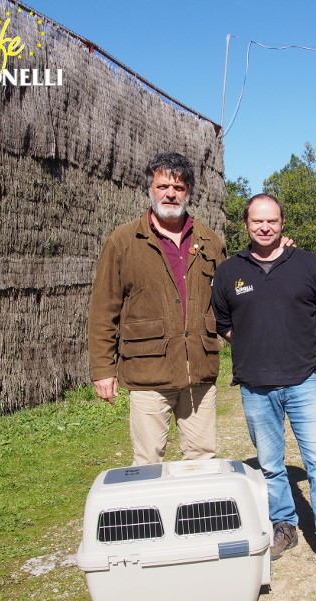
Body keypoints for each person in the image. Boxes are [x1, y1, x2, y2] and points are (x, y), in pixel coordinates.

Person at [211, 194, 316, 577]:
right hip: (255, 386)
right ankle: (285, 526)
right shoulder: (229, 272)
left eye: (271, 221)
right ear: (246, 224)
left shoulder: (306, 264)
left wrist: (300, 344)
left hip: (303, 381)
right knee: (271, 466)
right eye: (257, 222)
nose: (265, 227)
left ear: (282, 223)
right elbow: (223, 320)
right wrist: (255, 345)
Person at [88, 152, 226, 465]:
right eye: (163, 186)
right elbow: (103, 311)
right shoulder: (123, 241)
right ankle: (151, 516)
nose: (170, 194)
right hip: (148, 373)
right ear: (150, 189)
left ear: (189, 191)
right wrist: (103, 370)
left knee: (203, 460)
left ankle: (197, 515)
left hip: (199, 374)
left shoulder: (210, 242)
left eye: (178, 187)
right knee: (148, 463)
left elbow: (230, 300)